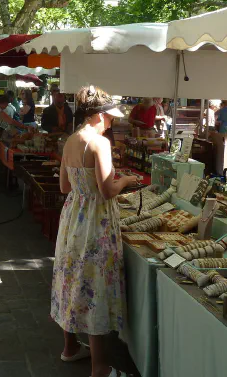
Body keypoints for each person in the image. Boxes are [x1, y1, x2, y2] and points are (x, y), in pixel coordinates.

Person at [51, 85, 139, 377]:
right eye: (111, 117)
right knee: (94, 285)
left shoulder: (71, 140)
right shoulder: (99, 143)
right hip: (95, 221)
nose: (113, 121)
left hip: (73, 216)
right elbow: (107, 190)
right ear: (99, 115)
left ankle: (69, 347)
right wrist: (126, 180)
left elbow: (64, 187)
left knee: (71, 278)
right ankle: (99, 368)